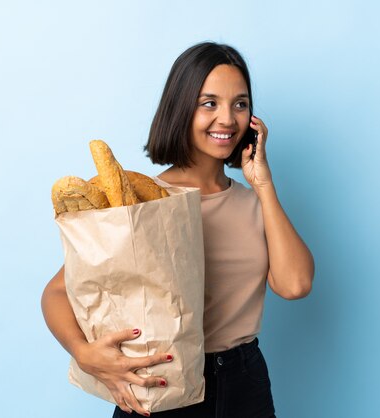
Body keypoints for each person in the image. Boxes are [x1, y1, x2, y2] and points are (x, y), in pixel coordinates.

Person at [41, 42, 315, 418]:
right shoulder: (143, 203)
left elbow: (295, 285)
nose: (227, 119)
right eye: (209, 103)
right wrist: (85, 354)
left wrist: (263, 185)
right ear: (181, 108)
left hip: (245, 383)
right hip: (163, 383)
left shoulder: (255, 203)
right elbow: (57, 292)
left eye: (240, 103)